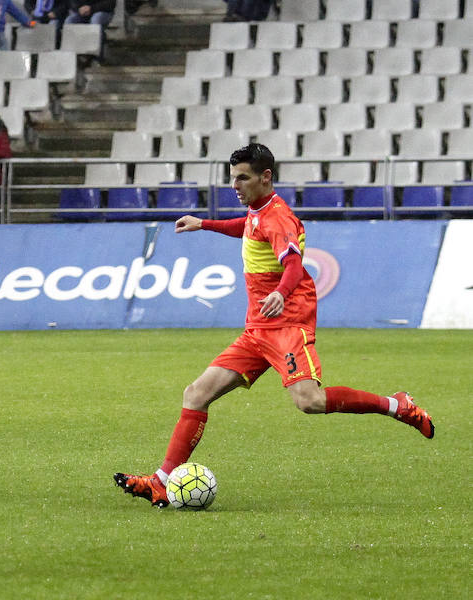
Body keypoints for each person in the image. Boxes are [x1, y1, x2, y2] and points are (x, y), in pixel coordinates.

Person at [114, 143, 435, 508]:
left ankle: (397, 405)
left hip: (287, 326)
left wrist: (282, 292)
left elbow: (296, 264)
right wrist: (205, 223)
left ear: (266, 177)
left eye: (242, 178)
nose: (234, 185)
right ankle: (161, 481)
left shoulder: (279, 217)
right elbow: (248, 227)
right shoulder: (257, 212)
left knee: (310, 401)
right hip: (257, 330)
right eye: (232, 178)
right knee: (196, 394)